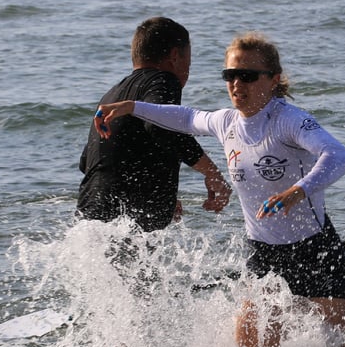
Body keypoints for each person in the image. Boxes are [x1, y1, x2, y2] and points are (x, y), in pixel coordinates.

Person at [93, 31, 345, 347]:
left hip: (315, 250)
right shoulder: (226, 123)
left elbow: (339, 157)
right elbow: (187, 117)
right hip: (264, 253)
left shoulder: (289, 120)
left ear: (273, 79)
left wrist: (296, 191)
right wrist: (132, 107)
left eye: (248, 76)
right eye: (230, 76)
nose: (237, 85)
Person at [77, 16, 230, 232]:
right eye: (188, 62)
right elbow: (161, 126)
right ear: (175, 56)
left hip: (90, 213)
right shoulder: (163, 80)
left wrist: (162, 193)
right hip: (127, 218)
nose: (188, 70)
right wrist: (212, 173)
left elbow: (87, 161)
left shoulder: (112, 95)